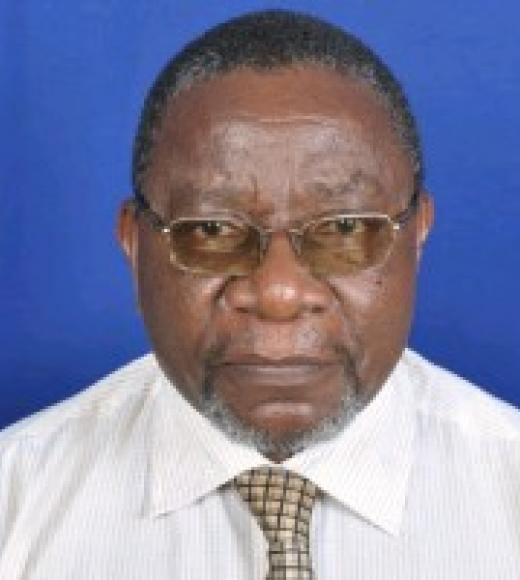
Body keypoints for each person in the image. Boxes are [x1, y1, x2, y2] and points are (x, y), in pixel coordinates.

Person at [1, 9, 519, 579]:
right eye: (211, 230)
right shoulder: (16, 501)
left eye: (345, 227)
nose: (279, 293)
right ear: (133, 242)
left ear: (417, 234)